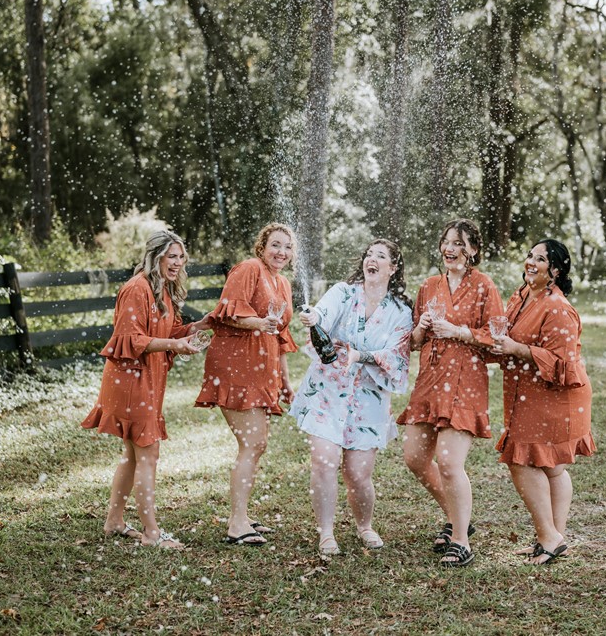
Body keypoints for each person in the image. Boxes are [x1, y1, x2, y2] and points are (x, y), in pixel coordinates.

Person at [289, 239, 414, 556]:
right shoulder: (343, 292)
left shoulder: (401, 312)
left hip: (369, 399)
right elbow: (323, 313)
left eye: (381, 256)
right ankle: (326, 533)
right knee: (323, 462)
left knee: (358, 475)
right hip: (328, 391)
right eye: (369, 254)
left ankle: (364, 526)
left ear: (393, 268)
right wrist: (315, 318)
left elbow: (396, 356)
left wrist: (361, 356)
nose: (372, 259)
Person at [81, 230, 205, 549]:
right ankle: (152, 534)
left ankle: (114, 521)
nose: (177, 263)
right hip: (130, 378)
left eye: (181, 257)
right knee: (148, 454)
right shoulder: (137, 288)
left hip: (147, 378)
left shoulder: (164, 289)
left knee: (132, 454)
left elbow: (170, 330)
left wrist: (198, 328)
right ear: (156, 256)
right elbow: (130, 339)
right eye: (171, 256)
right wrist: (173, 343)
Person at [397, 219, 504, 568]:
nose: (450, 249)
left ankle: (461, 542)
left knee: (449, 462)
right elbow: (412, 343)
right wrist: (420, 329)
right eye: (446, 242)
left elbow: (496, 338)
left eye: (459, 243)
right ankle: (457, 517)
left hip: (464, 380)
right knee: (414, 457)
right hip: (430, 379)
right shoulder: (429, 286)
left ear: (473, 250)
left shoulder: (485, 287)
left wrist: (459, 331)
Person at [491, 239, 596, 565]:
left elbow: (562, 364)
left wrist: (515, 349)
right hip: (531, 392)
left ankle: (549, 536)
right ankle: (552, 539)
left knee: (522, 460)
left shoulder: (558, 309)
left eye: (540, 259)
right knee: (551, 467)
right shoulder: (523, 295)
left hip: (557, 395)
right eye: (529, 256)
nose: (530, 262)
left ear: (556, 270)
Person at [195, 223, 299, 546]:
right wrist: (258, 322)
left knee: (258, 444)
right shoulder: (249, 269)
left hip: (262, 370)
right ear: (262, 246)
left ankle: (242, 514)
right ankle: (237, 523)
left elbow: (280, 336)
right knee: (252, 444)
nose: (281, 252)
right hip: (237, 365)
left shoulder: (282, 283)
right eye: (275, 245)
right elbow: (226, 313)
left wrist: (284, 379)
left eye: (287, 247)